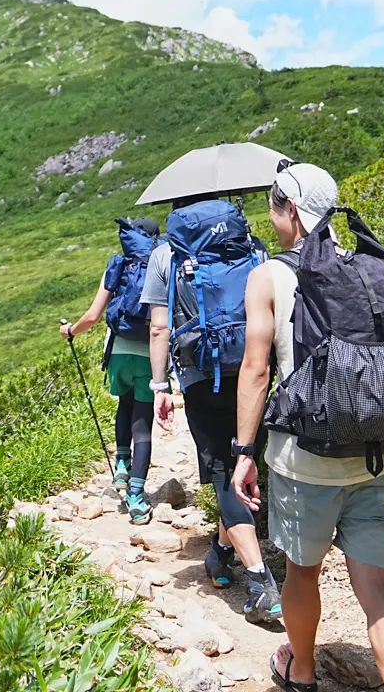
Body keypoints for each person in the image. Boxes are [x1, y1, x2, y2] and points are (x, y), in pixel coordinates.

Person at [230, 163, 384, 692]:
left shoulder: (269, 275)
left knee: (302, 572)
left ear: (289, 208)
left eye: (272, 204)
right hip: (378, 450)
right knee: (374, 585)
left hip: (304, 458)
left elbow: (256, 369)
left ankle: (302, 672)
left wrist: (245, 451)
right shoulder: (368, 266)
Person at [145, 201, 282, 626]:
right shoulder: (250, 244)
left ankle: (260, 581)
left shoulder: (167, 253)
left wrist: (160, 386)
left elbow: (158, 326)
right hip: (253, 369)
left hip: (201, 374)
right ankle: (221, 554)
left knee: (225, 470)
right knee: (246, 459)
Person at [61, 217, 160, 522]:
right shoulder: (163, 262)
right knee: (142, 423)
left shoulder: (118, 265)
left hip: (118, 352)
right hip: (150, 355)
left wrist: (71, 331)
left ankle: (120, 465)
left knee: (123, 404)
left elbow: (92, 315)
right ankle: (136, 498)